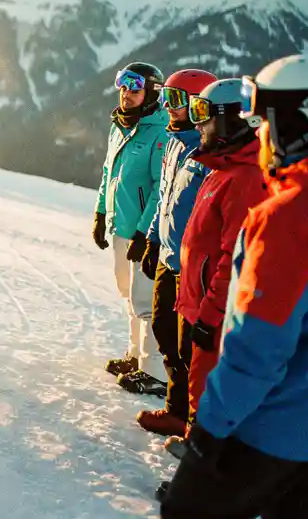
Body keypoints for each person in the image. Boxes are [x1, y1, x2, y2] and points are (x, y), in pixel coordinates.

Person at [160, 54, 308, 519]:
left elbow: (257, 349)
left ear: (298, 124)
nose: (257, 132)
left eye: (262, 119)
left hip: (265, 429)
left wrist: (207, 433)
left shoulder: (287, 218)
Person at [160, 78, 268, 457]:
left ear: (235, 121)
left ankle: (205, 469)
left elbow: (235, 258)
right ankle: (197, 448)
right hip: (199, 303)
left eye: (204, 114)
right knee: (198, 386)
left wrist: (211, 314)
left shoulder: (245, 178)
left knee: (211, 393)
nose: (197, 123)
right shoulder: (221, 168)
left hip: (213, 312)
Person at [134, 68, 217, 436]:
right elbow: (164, 201)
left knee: (190, 350)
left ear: (199, 106)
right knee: (164, 332)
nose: (169, 107)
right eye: (166, 98)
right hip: (168, 257)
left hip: (192, 268)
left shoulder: (205, 152)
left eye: (177, 101)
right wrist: (153, 238)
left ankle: (196, 422)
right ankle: (175, 409)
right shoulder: (171, 142)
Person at [93, 61, 170, 396]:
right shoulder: (120, 125)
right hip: (120, 226)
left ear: (151, 91)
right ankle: (136, 356)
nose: (126, 94)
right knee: (128, 295)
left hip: (143, 233)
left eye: (135, 88)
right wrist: (100, 213)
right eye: (123, 86)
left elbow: (159, 187)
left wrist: (144, 232)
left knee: (146, 301)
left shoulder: (159, 131)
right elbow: (108, 173)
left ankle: (155, 372)